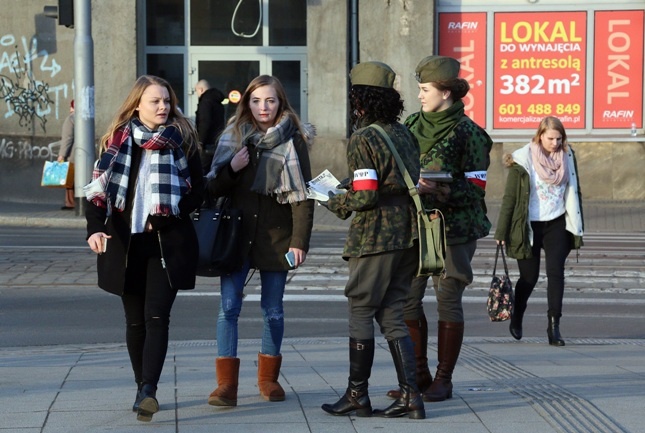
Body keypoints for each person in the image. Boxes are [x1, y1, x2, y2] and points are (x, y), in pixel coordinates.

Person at [83, 75, 203, 422]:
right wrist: (94, 229)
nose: (164, 107)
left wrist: (172, 212)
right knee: (134, 322)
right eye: (155, 101)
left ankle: (149, 389)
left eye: (167, 100)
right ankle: (141, 388)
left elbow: (198, 191)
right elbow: (97, 191)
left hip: (168, 242)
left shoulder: (184, 140)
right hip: (126, 242)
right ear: (138, 104)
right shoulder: (118, 141)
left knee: (157, 317)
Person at [320, 61, 425, 420]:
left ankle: (356, 395)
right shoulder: (403, 133)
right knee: (393, 311)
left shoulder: (364, 138)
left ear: (360, 100)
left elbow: (365, 197)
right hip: (408, 234)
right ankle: (411, 397)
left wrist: (331, 199)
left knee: (361, 308)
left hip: (376, 235)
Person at [385, 55, 493, 403]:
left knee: (448, 299)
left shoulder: (471, 134)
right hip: (416, 226)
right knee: (407, 299)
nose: (419, 95)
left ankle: (443, 379)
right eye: (419, 89)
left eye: (425, 89)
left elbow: (477, 188)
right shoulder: (412, 123)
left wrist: (443, 189)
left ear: (446, 92)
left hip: (454, 230)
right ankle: (418, 374)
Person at [205, 75, 314, 406]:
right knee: (228, 308)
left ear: (281, 103)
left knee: (274, 311)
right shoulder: (233, 136)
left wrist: (300, 242)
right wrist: (232, 170)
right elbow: (211, 188)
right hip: (236, 237)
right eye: (256, 101)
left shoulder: (293, 140)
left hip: (276, 237)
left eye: (270, 101)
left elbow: (303, 196)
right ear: (246, 103)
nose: (263, 107)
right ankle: (226, 386)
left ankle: (268, 379)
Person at [495, 116, 584, 346]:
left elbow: (575, 191)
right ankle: (518, 314)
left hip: (557, 224)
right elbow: (509, 199)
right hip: (528, 226)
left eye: (559, 138)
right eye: (551, 138)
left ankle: (554, 327)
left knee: (556, 274)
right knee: (529, 278)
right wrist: (501, 232)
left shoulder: (567, 157)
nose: (555, 143)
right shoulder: (523, 161)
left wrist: (578, 224)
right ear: (540, 135)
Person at [195, 79, 226, 174]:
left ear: (200, 89)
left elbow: (205, 123)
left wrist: (200, 142)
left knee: (203, 172)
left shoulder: (205, 102)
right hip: (217, 142)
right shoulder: (217, 102)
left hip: (207, 145)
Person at [57, 99, 75, 210]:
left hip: (72, 155)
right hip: (83, 156)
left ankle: (70, 203)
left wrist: (62, 155)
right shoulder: (86, 118)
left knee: (69, 181)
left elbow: (67, 139)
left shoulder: (71, 119)